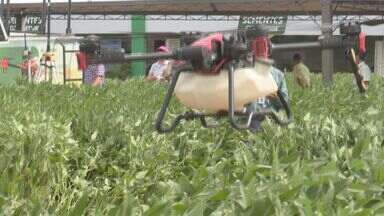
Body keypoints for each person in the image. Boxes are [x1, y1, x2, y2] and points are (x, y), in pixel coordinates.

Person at [247, 66, 289, 132]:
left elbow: (285, 106)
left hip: (272, 119)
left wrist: (276, 98)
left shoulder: (278, 75)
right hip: (250, 120)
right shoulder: (243, 73)